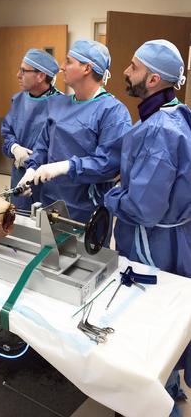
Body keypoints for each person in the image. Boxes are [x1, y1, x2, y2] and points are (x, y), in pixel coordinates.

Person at [104, 39, 191, 417]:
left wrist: (111, 197)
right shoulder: (176, 113)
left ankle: (156, 405)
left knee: (150, 325)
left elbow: (144, 208)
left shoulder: (159, 130)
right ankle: (171, 385)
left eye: (134, 66)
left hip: (152, 242)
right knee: (172, 324)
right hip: (174, 237)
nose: (125, 71)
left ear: (154, 79)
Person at [19, 39, 132, 226]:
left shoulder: (113, 112)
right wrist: (31, 169)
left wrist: (65, 167)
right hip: (51, 202)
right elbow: (43, 145)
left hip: (87, 210)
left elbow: (109, 164)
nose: (62, 67)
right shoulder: (58, 104)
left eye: (69, 61)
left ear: (87, 68)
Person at [1, 48, 62, 210]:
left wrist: (37, 163)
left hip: (47, 180)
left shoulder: (62, 105)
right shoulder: (18, 100)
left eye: (23, 70)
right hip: (20, 175)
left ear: (41, 76)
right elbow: (7, 132)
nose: (18, 75)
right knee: (19, 222)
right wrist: (14, 148)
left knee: (47, 226)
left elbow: (62, 148)